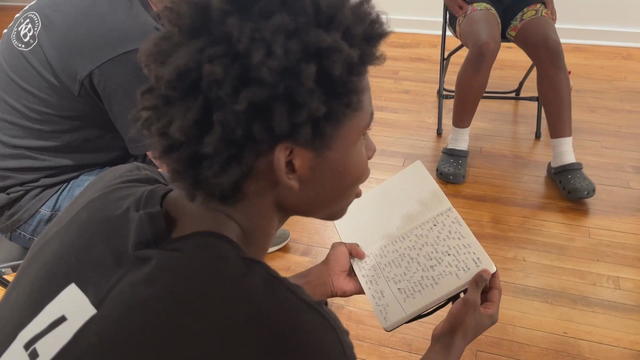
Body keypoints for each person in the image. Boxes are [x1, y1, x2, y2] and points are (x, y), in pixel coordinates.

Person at [0, 0, 501, 359]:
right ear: (289, 164)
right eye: (362, 133)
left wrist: (308, 285)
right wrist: (448, 342)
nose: (372, 150)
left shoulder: (115, 191)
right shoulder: (301, 337)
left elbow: (181, 322)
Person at [0, 0, 290, 252]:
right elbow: (178, 162)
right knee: (211, 210)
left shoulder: (124, 16)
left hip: (38, 159)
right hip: (33, 198)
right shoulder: (127, 44)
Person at [436, 0, 596, 201]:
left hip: (523, 3)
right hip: (473, 3)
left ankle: (563, 158)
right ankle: (457, 143)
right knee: (485, 45)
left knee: (551, 47)